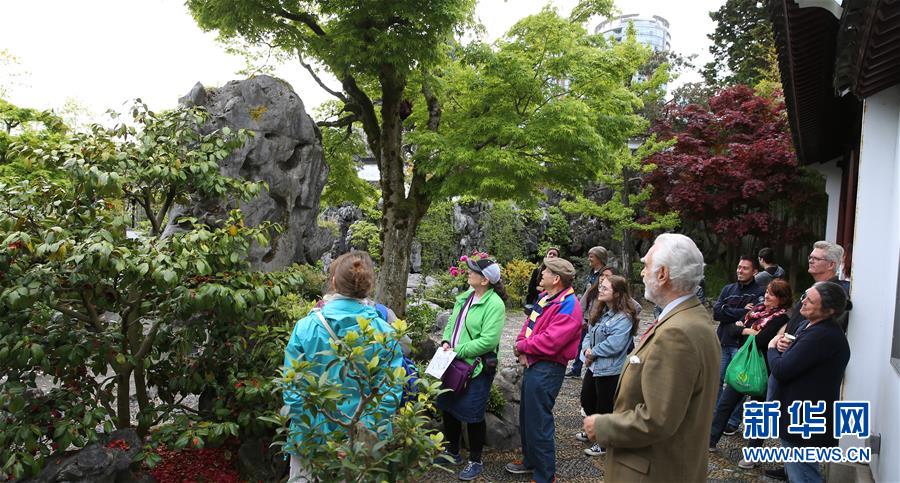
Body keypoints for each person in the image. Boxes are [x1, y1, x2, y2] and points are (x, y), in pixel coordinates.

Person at [583, 233, 719, 482]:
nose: (642, 273)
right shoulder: (689, 318)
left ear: (663, 274)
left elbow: (658, 418)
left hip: (654, 470)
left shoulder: (677, 332)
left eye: (646, 266)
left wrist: (603, 426)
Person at [282, 252, 404, 482]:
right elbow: (389, 394)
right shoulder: (386, 334)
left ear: (334, 283)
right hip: (363, 445)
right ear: (368, 287)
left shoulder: (305, 327)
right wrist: (357, 436)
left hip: (310, 441)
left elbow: (293, 390)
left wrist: (320, 436)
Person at [506, 257, 583, 483]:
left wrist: (522, 347)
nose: (541, 275)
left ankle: (545, 476)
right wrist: (522, 348)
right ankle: (530, 461)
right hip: (535, 363)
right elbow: (528, 327)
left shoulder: (570, 306)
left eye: (546, 272)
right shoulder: (545, 298)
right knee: (528, 416)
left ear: (556, 279)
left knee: (539, 421)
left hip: (548, 369)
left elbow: (551, 341)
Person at [767, 282, 851, 483]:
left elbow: (782, 370)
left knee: (804, 475)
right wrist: (786, 345)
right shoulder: (810, 326)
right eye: (805, 296)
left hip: (804, 419)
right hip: (799, 414)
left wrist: (771, 347)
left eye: (810, 300)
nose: (803, 302)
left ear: (828, 310)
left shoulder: (823, 335)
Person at [434, 258, 507, 481]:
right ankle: (453, 452)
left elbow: (488, 341)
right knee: (448, 406)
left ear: (485, 280)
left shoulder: (495, 305)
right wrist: (446, 340)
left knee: (474, 414)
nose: (468, 272)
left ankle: (475, 460)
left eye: (473, 271)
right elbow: (451, 323)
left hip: (477, 367)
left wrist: (458, 349)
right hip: (454, 362)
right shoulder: (466, 297)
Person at [709, 279, 793, 468]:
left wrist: (743, 329)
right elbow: (731, 329)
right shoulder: (756, 311)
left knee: (759, 412)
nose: (766, 296)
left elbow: (762, 340)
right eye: (767, 292)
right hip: (744, 366)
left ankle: (753, 454)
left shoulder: (781, 319)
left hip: (764, 368)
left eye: (771, 294)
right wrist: (748, 331)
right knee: (725, 403)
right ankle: (711, 440)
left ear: (781, 299)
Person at [578, 274, 639, 457]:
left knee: (605, 405)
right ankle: (594, 430)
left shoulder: (624, 318)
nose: (600, 291)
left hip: (610, 369)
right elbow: (589, 332)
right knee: (587, 399)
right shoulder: (601, 311)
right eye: (600, 287)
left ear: (618, 293)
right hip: (594, 366)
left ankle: (604, 442)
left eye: (605, 288)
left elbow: (616, 344)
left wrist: (592, 352)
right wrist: (587, 349)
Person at [713, 255, 765, 434]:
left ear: (755, 271)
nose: (740, 270)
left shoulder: (759, 292)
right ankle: (717, 417)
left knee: (739, 384)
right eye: (739, 267)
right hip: (723, 341)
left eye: (745, 268)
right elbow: (717, 313)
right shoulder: (728, 289)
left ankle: (733, 421)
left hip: (741, 345)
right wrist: (742, 311)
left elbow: (753, 317)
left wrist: (730, 312)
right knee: (717, 381)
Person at [569, 246, 609, 378]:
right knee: (583, 341)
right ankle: (577, 368)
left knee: (594, 341)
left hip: (598, 314)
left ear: (599, 258)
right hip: (588, 313)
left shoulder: (605, 275)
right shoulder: (591, 273)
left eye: (591, 256)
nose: (589, 259)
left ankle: (591, 370)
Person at [524, 247, 560, 313]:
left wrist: (543, 289)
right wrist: (543, 290)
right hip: (536, 301)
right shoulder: (537, 271)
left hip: (551, 302)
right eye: (550, 253)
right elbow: (531, 288)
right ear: (546, 255)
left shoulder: (559, 273)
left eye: (554, 254)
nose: (551, 255)